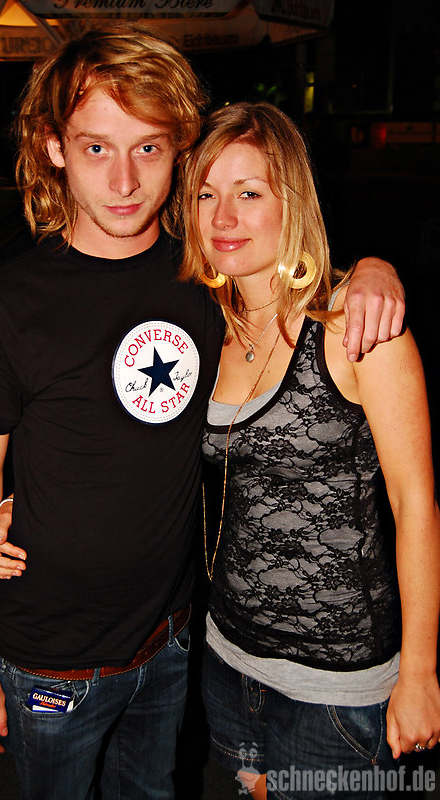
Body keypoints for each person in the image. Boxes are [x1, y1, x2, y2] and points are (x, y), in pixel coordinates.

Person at [0, 26, 405, 800]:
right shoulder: (4, 302)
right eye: (96, 148)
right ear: (55, 148)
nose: (124, 179)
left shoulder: (204, 277)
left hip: (174, 643)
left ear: (179, 152)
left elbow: (291, 275)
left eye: (149, 148)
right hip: (50, 660)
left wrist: (373, 268)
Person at [179, 102, 439, 799]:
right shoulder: (200, 327)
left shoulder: (355, 324)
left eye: (248, 193)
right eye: (205, 194)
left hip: (337, 689)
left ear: (291, 201)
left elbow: (415, 504)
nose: (222, 217)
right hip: (226, 659)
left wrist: (419, 672)